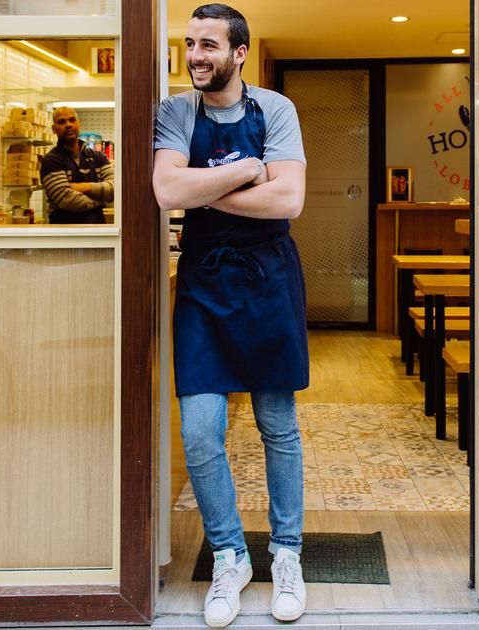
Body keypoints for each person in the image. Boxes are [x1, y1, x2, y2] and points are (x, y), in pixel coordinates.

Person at [152, 4, 308, 627]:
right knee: (199, 432)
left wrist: (205, 187)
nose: (195, 55)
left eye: (208, 45)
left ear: (239, 52)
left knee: (277, 425)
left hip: (268, 280)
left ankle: (287, 553)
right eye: (190, 43)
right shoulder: (175, 112)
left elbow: (289, 198)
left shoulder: (276, 109)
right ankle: (230, 556)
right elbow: (167, 191)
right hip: (203, 285)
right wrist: (245, 171)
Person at [40, 106, 114, 224]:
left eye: (72, 120)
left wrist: (85, 186)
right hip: (65, 231)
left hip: (98, 229)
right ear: (54, 129)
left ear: (79, 124)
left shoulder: (98, 157)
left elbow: (115, 189)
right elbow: (66, 200)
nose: (68, 125)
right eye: (61, 122)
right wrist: (100, 201)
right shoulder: (51, 161)